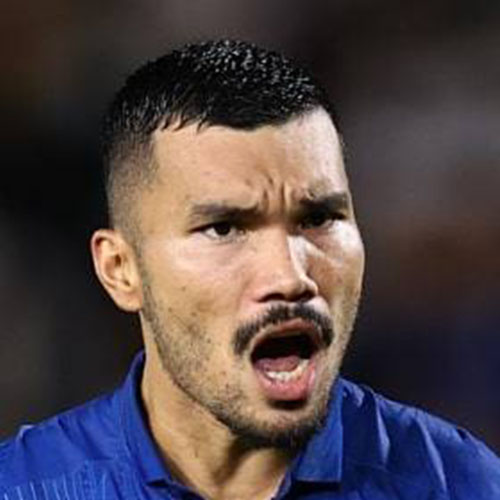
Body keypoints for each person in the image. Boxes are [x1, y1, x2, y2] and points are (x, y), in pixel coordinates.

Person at [1, 39, 499, 500]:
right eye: (223, 228)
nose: (290, 277)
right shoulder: (25, 487)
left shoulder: (459, 485)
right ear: (120, 269)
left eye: (319, 218)